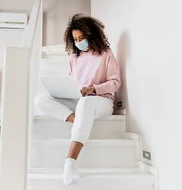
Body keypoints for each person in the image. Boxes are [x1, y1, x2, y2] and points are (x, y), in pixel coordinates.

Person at [34, 14, 121, 186]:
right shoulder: (74, 59)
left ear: (91, 35)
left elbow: (115, 83)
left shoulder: (106, 54)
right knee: (40, 100)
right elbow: (71, 82)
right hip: (79, 100)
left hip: (100, 100)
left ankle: (70, 160)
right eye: (75, 39)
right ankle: (79, 120)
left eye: (82, 38)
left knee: (86, 103)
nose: (79, 42)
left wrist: (94, 89)